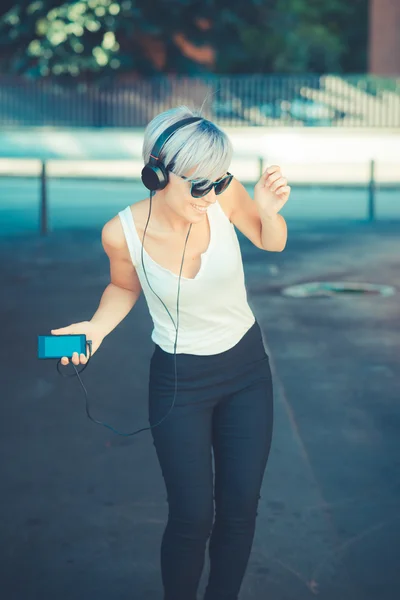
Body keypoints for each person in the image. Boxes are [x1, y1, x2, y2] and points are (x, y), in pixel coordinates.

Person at [51, 105, 290, 600]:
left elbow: (272, 243)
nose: (212, 193)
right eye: (198, 185)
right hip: (180, 383)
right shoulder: (121, 233)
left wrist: (267, 213)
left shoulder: (224, 197)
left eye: (219, 181)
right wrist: (94, 330)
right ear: (157, 175)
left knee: (240, 505)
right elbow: (123, 287)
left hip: (247, 372)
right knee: (191, 516)